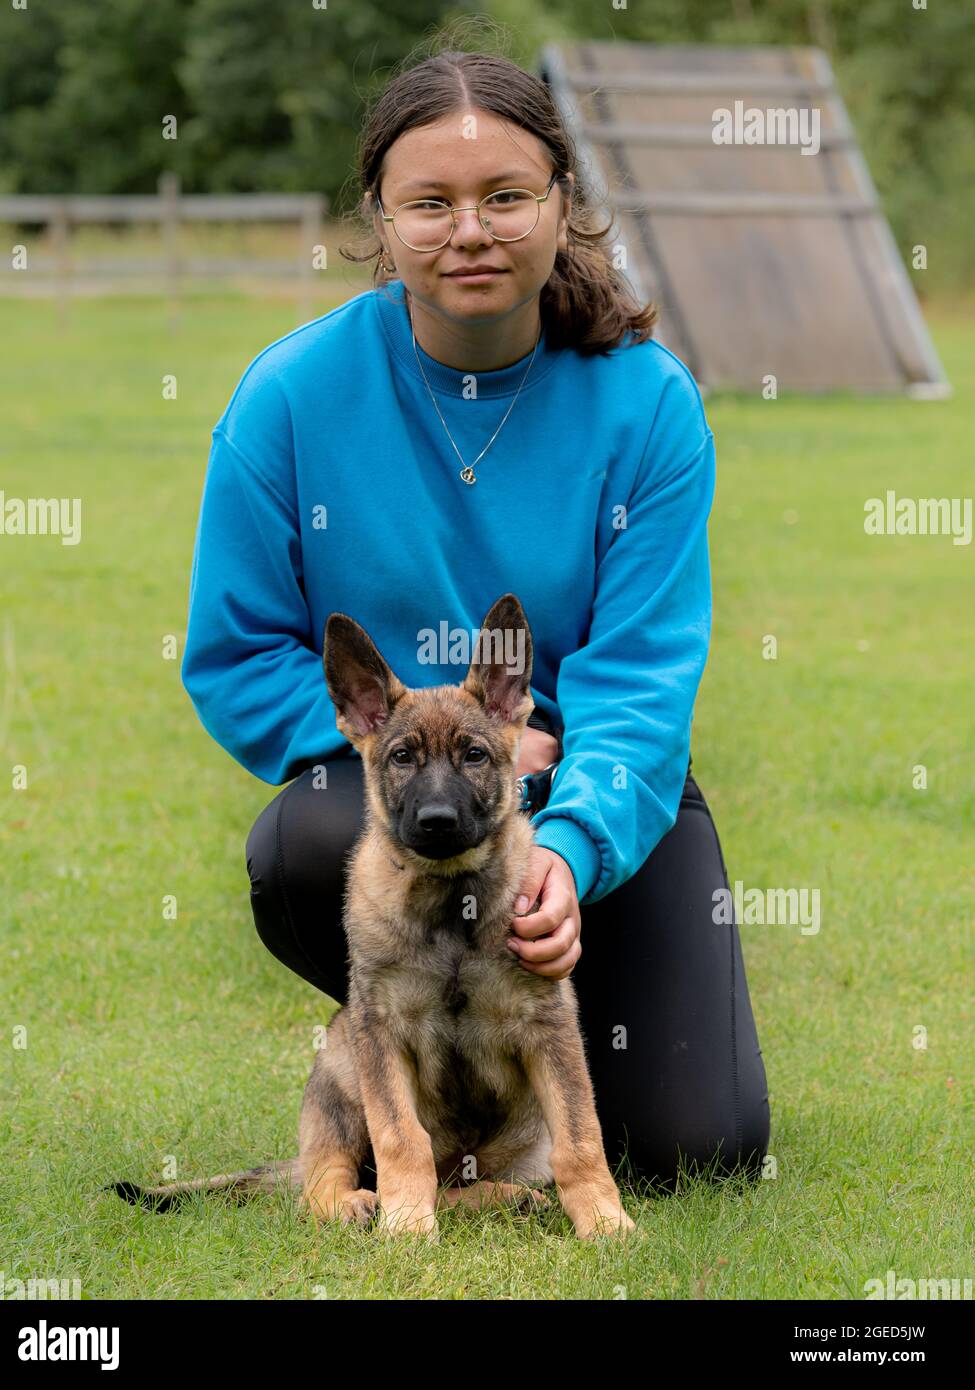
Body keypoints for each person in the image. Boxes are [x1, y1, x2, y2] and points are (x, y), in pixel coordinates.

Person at [179, 44, 770, 1193]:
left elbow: (642, 674)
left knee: (700, 1143)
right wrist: (396, 741)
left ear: (562, 204)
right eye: (430, 202)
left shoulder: (646, 404)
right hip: (401, 781)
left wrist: (571, 835)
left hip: (599, 779)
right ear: (379, 219)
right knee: (303, 836)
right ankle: (410, 1065)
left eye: (506, 196)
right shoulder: (288, 397)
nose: (470, 230)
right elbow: (236, 651)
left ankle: (539, 1039)